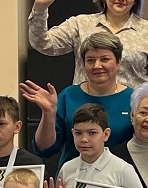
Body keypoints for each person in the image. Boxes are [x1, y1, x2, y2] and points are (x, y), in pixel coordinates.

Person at [27, 0, 148, 89]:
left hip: (131, 111)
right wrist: (40, 8)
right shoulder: (81, 24)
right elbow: (42, 43)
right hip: (86, 110)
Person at [23, 31, 135, 167]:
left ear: (118, 63)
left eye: (104, 59)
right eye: (90, 60)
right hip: (73, 176)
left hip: (118, 177)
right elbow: (44, 149)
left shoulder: (133, 99)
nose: (97, 65)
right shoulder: (68, 96)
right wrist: (48, 113)